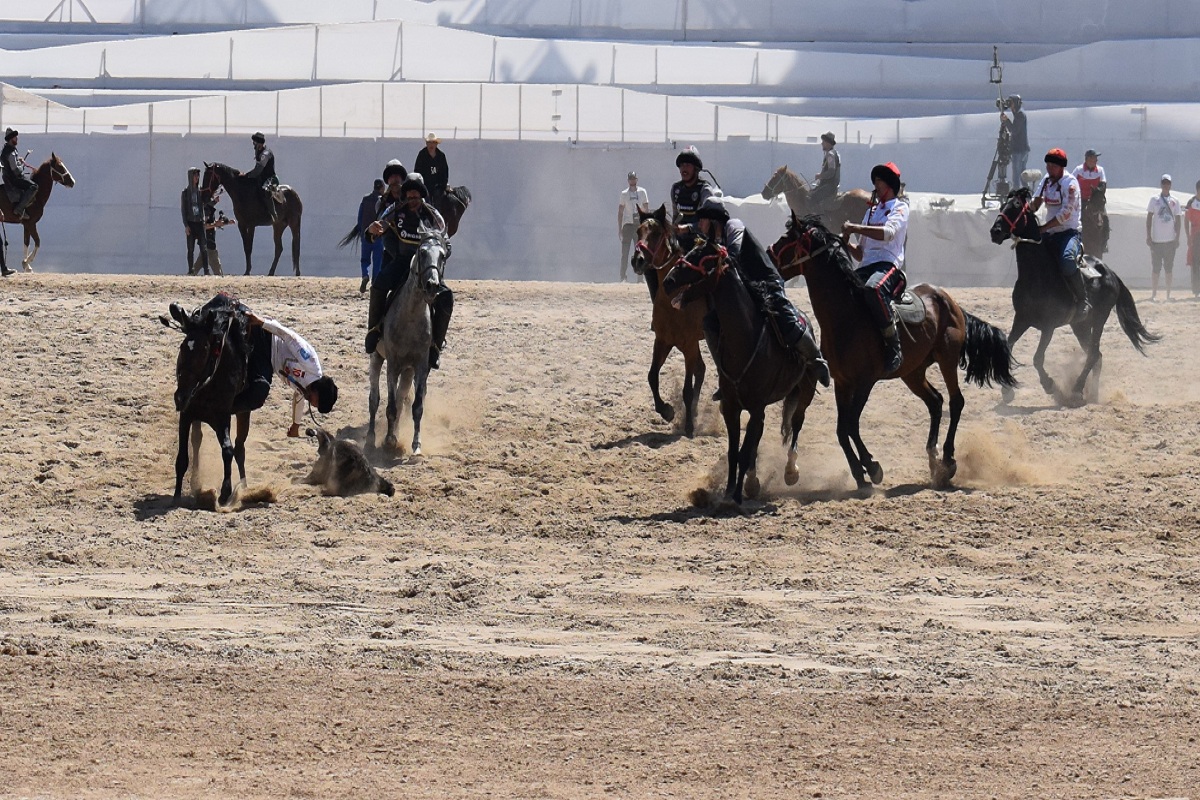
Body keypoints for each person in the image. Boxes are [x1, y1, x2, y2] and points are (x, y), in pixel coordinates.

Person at [694, 198, 829, 387]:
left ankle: (816, 359)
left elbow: (733, 254)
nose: (699, 223)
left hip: (764, 279)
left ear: (714, 219)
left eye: (703, 219)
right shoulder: (712, 240)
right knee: (710, 323)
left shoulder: (733, 225)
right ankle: (724, 374)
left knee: (784, 316)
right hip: (744, 288)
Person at [169, 294, 339, 438]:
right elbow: (289, 337)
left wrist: (296, 425)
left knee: (258, 393)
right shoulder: (311, 363)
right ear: (319, 393)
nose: (312, 404)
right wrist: (262, 322)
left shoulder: (307, 389)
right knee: (232, 310)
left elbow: (299, 397)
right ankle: (192, 322)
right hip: (267, 339)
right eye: (315, 403)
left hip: (266, 361)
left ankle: (220, 410)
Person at [365, 172, 453, 368]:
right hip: (404, 262)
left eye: (416, 197)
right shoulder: (395, 211)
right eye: (409, 197)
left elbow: (446, 242)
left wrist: (442, 253)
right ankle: (374, 330)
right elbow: (377, 230)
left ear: (422, 196)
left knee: (447, 297)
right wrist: (372, 231)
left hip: (426, 265)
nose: (412, 201)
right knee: (379, 284)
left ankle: (436, 346)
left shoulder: (433, 216)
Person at [841, 162, 909, 374]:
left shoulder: (900, 207)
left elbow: (888, 233)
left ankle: (893, 345)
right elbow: (861, 254)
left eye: (879, 182)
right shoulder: (870, 212)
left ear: (889, 185)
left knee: (873, 289)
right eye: (875, 182)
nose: (875, 186)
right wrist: (844, 242)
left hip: (888, 265)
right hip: (867, 265)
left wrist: (854, 227)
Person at [1030, 148, 1088, 318]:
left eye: (1053, 165)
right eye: (1048, 165)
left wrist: (1043, 228)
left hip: (1069, 233)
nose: (1049, 168)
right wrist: (1025, 207)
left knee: (1067, 261)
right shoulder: (1046, 180)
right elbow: (1036, 203)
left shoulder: (1070, 184)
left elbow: (1065, 214)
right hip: (1049, 233)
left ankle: (1083, 299)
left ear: (1061, 167)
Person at [1146, 174, 1182, 302]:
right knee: (1155, 268)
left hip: (1170, 240)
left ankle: (1168, 294)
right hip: (1156, 240)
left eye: (1168, 183)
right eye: (1164, 183)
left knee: (1169, 268)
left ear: (1170, 185)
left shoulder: (1175, 201)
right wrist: (1148, 236)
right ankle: (1154, 294)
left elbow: (1178, 219)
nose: (1166, 185)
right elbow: (1149, 217)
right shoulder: (1154, 200)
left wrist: (1177, 237)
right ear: (1161, 184)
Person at [617, 171, 649, 282]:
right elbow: (620, 211)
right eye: (630, 179)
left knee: (640, 251)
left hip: (638, 226)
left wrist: (645, 225)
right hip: (627, 225)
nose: (632, 181)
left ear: (636, 179)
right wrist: (620, 227)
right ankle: (622, 276)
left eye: (633, 178)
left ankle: (640, 277)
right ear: (628, 180)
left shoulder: (642, 192)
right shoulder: (624, 194)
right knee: (625, 252)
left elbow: (646, 208)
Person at [190, 193, 231, 276]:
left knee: (196, 268)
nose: (217, 198)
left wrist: (226, 223)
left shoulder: (209, 210)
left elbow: (213, 223)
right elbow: (204, 226)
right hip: (210, 246)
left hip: (206, 245)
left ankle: (189, 277)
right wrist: (216, 224)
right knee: (218, 272)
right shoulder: (206, 210)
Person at [241, 131, 279, 220]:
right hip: (260, 178)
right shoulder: (258, 152)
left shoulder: (265, 154)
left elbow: (258, 170)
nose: (254, 145)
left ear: (260, 144)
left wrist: (247, 175)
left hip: (270, 178)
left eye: (255, 143)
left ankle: (273, 214)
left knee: (265, 190)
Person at [1, 128, 37, 221]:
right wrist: (21, 165)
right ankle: (19, 209)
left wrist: (18, 160)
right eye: (15, 137)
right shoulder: (11, 153)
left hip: (10, 177)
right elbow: (16, 170)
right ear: (10, 139)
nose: (17, 139)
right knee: (34, 186)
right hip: (14, 179)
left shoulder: (8, 150)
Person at [357, 178, 385, 293]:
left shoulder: (365, 199)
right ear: (382, 188)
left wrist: (361, 232)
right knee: (377, 261)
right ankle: (375, 282)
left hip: (366, 234)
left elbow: (360, 218)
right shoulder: (382, 201)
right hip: (378, 236)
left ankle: (365, 275)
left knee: (365, 260)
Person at [181, 167, 210, 276]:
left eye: (198, 175)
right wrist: (186, 225)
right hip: (191, 222)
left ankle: (206, 270)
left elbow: (206, 204)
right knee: (190, 248)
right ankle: (191, 269)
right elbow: (183, 210)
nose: (197, 178)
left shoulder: (200, 191)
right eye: (195, 175)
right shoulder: (185, 193)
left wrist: (206, 216)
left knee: (204, 247)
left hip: (199, 222)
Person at [413, 133, 449, 204]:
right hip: (425, 185)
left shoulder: (441, 156)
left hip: (438, 186)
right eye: (429, 142)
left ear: (436, 144)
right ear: (426, 143)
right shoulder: (422, 155)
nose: (431, 145)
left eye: (433, 142)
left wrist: (442, 185)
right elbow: (417, 171)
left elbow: (445, 171)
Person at [1003, 95, 1029, 188]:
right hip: (1021, 149)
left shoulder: (1020, 115)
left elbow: (1014, 130)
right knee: (1022, 175)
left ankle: (1018, 194)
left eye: (1011, 102)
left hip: (1019, 150)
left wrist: (1006, 121)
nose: (1010, 105)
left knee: (1017, 175)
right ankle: (1026, 194)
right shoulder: (1019, 113)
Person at [810, 131, 840, 211]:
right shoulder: (832, 153)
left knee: (813, 198)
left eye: (823, 142)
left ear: (828, 143)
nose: (822, 143)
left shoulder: (830, 155)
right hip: (829, 184)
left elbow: (831, 172)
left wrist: (820, 175)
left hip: (830, 185)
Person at [1184, 179, 1200, 298]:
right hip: (1195, 235)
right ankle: (1196, 290)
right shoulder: (1191, 202)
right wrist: (1188, 236)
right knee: (1195, 263)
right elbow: (1185, 220)